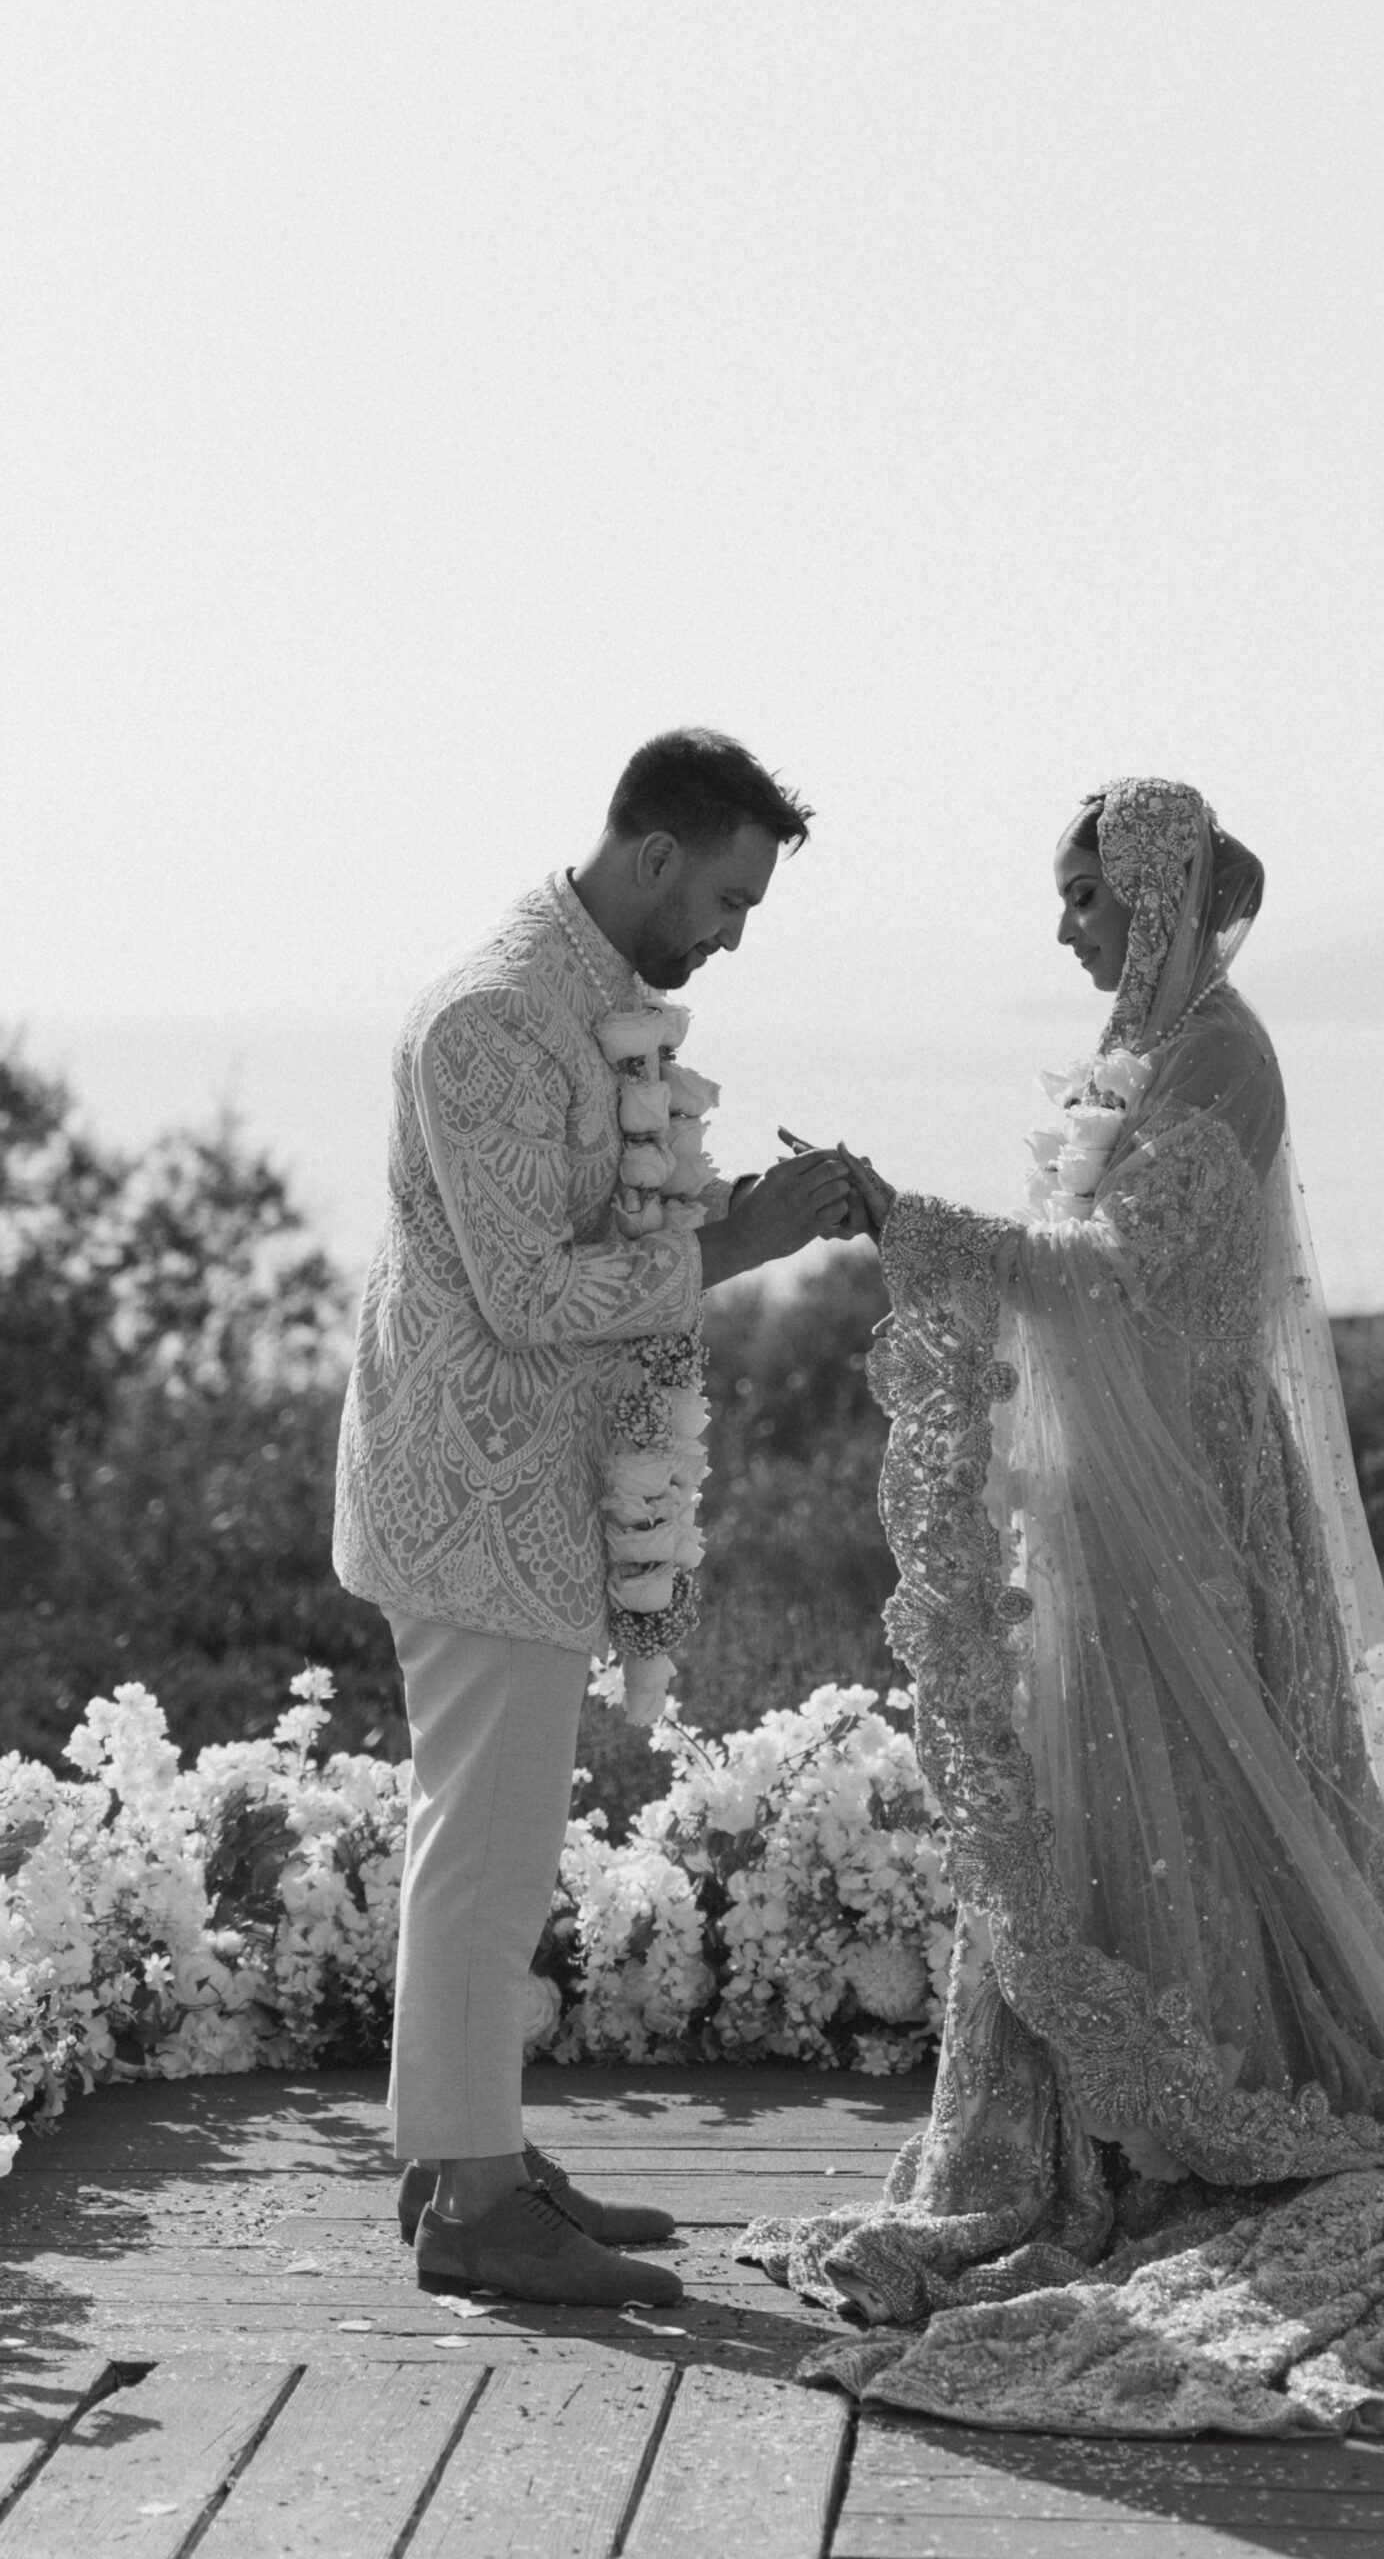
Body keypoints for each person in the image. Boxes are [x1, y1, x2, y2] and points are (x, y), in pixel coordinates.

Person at [741, 775, 1384, 2436]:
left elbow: (1119, 1271)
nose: (1067, 927)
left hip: (1193, 1488)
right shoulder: (1154, 1054)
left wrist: (913, 1224)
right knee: (1103, 1781)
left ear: (1158, 895)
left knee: (1202, 1777)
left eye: (1088, 896)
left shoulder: (1224, 1056)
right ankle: (1085, 2129)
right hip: (1126, 1481)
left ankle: (1216, 2099)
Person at [334, 727, 854, 2308]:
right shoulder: (499, 1015)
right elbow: (524, 1291)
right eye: (725, 896)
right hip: (474, 1494)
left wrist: (697, 1211)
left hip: (522, 1495)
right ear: (649, 857)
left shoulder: (589, 1003)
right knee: (482, 1857)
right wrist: (737, 1243)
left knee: (487, 1844)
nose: (730, 936)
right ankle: (475, 2208)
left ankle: (463, 2159)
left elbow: (580, 1231)